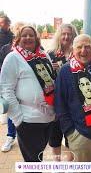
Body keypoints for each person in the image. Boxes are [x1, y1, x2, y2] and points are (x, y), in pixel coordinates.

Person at [0, 25, 55, 162]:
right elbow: (6, 89)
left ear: (36, 39)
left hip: (48, 117)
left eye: (31, 35)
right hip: (28, 120)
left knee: (39, 157)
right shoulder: (13, 58)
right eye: (24, 35)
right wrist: (18, 119)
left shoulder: (44, 55)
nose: (28, 37)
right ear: (18, 39)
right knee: (32, 162)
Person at [54, 34, 91, 163]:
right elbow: (60, 104)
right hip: (81, 134)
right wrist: (71, 132)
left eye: (87, 47)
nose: (83, 51)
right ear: (73, 49)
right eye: (79, 47)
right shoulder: (65, 71)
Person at [47, 23, 77, 161]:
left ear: (73, 36)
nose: (66, 36)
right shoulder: (50, 55)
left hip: (73, 102)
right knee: (55, 136)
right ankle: (57, 164)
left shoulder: (79, 53)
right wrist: (50, 69)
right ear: (59, 35)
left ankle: (69, 164)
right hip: (55, 101)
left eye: (69, 34)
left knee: (72, 135)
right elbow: (44, 79)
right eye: (63, 34)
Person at [0, 22, 25, 152]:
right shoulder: (6, 48)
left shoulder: (34, 48)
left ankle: (24, 136)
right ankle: (10, 136)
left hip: (26, 88)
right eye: (19, 31)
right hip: (11, 87)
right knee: (12, 111)